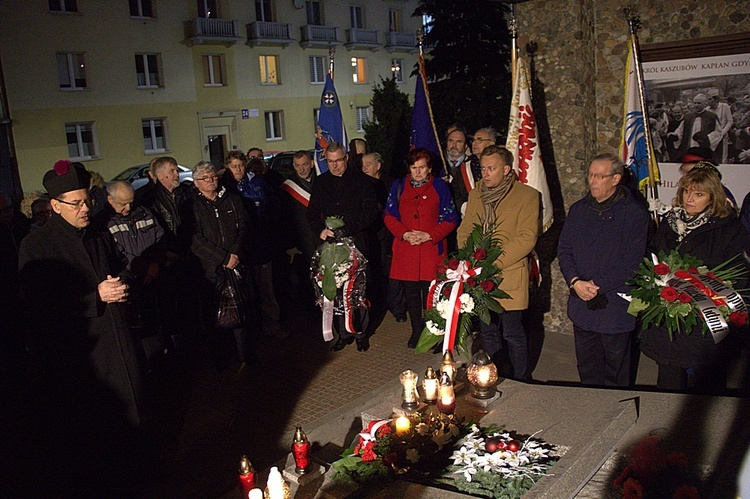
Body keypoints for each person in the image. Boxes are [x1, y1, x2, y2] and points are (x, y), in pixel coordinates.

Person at [18, 161, 143, 493]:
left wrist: (122, 283)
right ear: (56, 206)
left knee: (131, 424)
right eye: (76, 203)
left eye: (87, 200)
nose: (85, 208)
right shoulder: (36, 247)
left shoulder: (98, 235)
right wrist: (95, 298)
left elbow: (122, 267)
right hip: (83, 358)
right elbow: (40, 308)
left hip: (118, 343)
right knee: (95, 435)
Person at [640, 163, 750, 392]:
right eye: (687, 191)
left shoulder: (729, 230)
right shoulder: (670, 223)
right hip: (668, 325)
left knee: (704, 392)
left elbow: (738, 277)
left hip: (703, 325)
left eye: (698, 194)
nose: (689, 198)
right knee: (667, 388)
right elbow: (653, 259)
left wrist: (697, 298)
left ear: (712, 198)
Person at [558, 153, 649, 387]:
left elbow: (632, 261)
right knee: (587, 369)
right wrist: (575, 281)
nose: (592, 181)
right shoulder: (578, 210)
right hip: (582, 304)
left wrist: (596, 286)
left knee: (616, 372)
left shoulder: (634, 214)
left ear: (616, 179)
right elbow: (565, 249)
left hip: (614, 307)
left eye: (599, 176)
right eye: (590, 175)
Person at [457, 145, 540, 379]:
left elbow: (526, 238)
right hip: (479, 278)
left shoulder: (527, 195)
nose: (486, 173)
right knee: (488, 332)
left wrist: (491, 263)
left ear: (506, 169)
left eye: (491, 168)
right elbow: (465, 230)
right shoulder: (477, 194)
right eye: (483, 168)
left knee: (513, 334)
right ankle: (495, 376)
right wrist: (469, 258)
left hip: (509, 276)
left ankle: (521, 379)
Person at [307, 142, 378, 352]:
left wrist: (346, 229)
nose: (335, 165)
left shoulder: (363, 181)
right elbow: (311, 213)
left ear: (346, 158)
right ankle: (343, 333)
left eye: (338, 160)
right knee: (334, 288)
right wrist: (321, 229)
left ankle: (361, 333)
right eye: (330, 162)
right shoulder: (321, 182)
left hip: (356, 241)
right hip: (331, 246)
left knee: (358, 289)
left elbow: (370, 213)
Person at [384, 148, 458, 348]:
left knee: (431, 293)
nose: (417, 172)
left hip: (430, 250)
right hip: (406, 248)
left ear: (429, 169)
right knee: (411, 294)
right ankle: (416, 329)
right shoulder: (398, 186)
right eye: (414, 167)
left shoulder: (441, 187)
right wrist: (405, 234)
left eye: (422, 167)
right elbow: (389, 216)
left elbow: (452, 218)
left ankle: (432, 331)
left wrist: (429, 235)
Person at [190, 161, 254, 371]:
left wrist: (235, 253)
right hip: (210, 271)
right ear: (196, 182)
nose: (211, 181)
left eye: (213, 177)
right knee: (214, 319)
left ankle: (244, 356)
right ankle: (221, 360)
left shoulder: (232, 199)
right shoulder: (191, 206)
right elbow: (195, 240)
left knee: (241, 314)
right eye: (205, 178)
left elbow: (244, 227)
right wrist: (222, 257)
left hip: (236, 266)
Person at [363, 152, 407, 322]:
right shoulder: (361, 184)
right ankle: (379, 305)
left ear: (378, 166)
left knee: (393, 272)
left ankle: (398, 308)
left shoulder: (391, 184)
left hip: (391, 235)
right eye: (363, 164)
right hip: (371, 235)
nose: (364, 168)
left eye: (368, 164)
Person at [279, 150, 318, 309]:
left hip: (322, 236)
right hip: (301, 241)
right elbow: (284, 219)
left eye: (304, 165)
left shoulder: (321, 181)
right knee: (306, 278)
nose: (302, 169)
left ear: (311, 163)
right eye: (297, 166)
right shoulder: (287, 188)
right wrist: (290, 244)